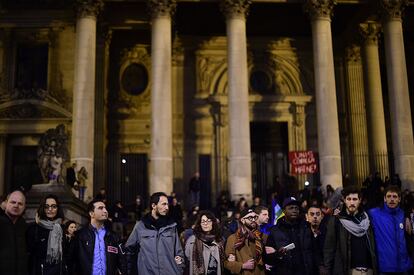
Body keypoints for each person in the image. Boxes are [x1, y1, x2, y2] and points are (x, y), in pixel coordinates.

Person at [125, 192, 185, 274]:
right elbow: (128, 250)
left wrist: (179, 269)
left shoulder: (171, 226)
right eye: (163, 204)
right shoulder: (140, 226)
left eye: (167, 204)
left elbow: (179, 253)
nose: (167, 207)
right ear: (153, 206)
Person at [324, 185, 377, 275]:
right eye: (349, 199)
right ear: (344, 200)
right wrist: (328, 270)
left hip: (369, 270)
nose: (352, 202)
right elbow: (329, 248)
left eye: (355, 199)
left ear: (360, 200)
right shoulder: (337, 220)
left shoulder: (367, 219)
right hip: (349, 270)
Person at [70, 199, 125, 275]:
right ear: (91, 214)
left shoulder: (113, 237)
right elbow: (71, 262)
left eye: (105, 208)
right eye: (100, 208)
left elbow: (122, 262)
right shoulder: (79, 236)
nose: (105, 211)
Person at [369, 185, 413, 274]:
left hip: (404, 267)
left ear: (399, 199)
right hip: (385, 268)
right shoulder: (374, 214)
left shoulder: (403, 214)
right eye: (389, 196)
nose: (392, 199)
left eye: (395, 196)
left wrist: (407, 216)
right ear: (384, 199)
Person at [265, 197, 313, 275]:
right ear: (284, 210)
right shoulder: (274, 230)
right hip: (284, 271)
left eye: (296, 208)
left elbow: (314, 250)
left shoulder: (306, 227)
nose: (294, 210)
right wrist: (278, 254)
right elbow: (268, 257)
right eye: (291, 208)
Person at [27, 194, 65, 275]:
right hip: (41, 271)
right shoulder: (34, 228)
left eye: (54, 206)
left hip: (59, 270)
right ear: (42, 208)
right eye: (46, 206)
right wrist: (37, 225)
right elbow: (30, 251)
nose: (50, 209)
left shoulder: (63, 228)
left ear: (58, 209)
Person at [224, 208, 265, 274]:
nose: (254, 220)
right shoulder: (233, 238)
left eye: (255, 217)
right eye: (250, 218)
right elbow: (227, 263)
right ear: (243, 220)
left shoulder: (261, 237)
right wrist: (242, 266)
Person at [185, 210, 225, 275]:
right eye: (203, 221)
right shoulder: (192, 240)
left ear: (213, 223)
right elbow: (187, 259)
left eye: (208, 221)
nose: (205, 223)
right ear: (200, 224)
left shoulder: (219, 240)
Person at [0, 190, 28, 275]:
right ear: (5, 203)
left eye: (20, 204)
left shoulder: (24, 226)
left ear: (24, 207)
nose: (16, 205)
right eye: (13, 202)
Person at [305, 205, 327, 275]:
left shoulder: (328, 234)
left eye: (317, 214)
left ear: (322, 216)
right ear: (307, 217)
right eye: (312, 214)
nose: (315, 217)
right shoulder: (301, 234)